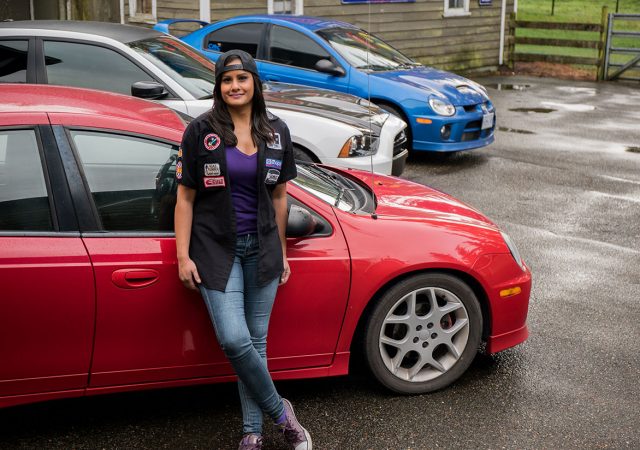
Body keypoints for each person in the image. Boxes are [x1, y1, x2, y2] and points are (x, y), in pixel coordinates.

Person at [174, 49, 312, 450]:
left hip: (264, 248)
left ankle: (251, 433)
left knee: (257, 342)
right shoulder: (201, 131)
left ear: (255, 84)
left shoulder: (276, 131)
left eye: (242, 79)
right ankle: (283, 416)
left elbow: (280, 197)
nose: (234, 86)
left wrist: (282, 251)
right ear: (219, 87)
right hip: (216, 249)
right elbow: (184, 198)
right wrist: (183, 256)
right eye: (227, 80)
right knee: (235, 340)